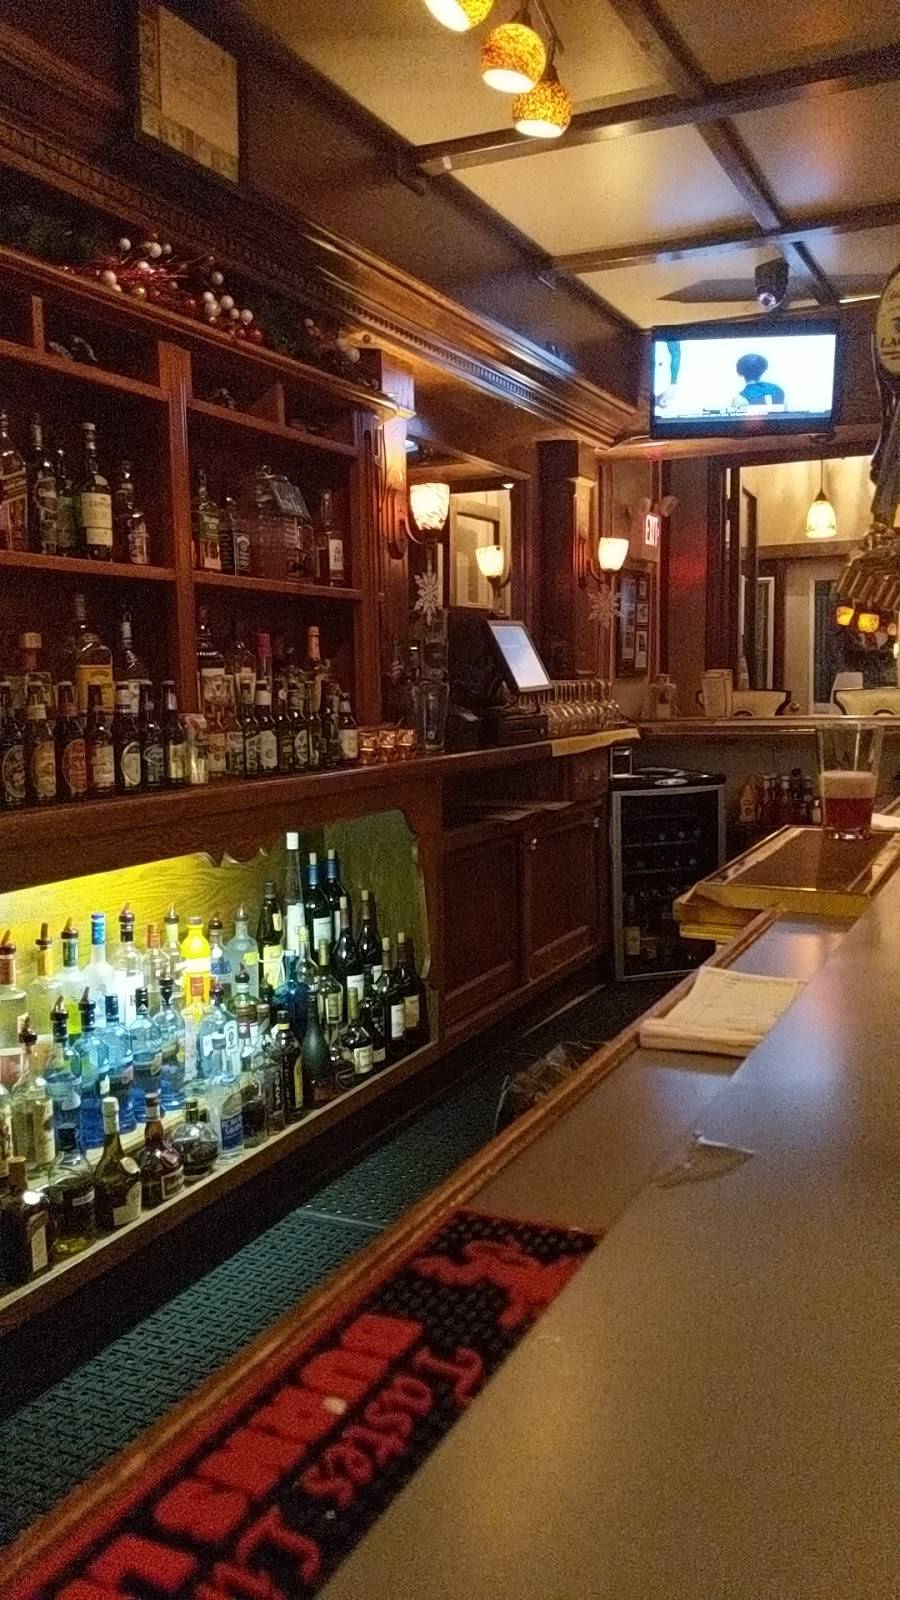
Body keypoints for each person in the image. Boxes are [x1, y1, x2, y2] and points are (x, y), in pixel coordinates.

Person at [653, 338, 681, 409]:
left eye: (664, 402)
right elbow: (676, 357)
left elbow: (676, 357)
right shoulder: (663, 388)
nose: (666, 401)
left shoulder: (659, 387)